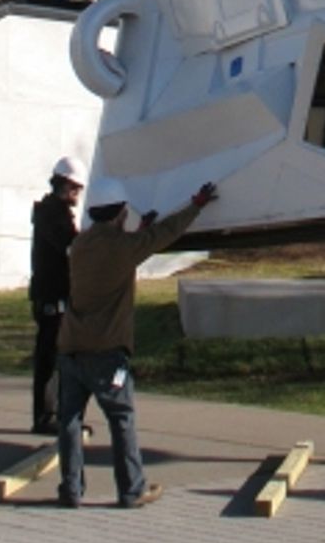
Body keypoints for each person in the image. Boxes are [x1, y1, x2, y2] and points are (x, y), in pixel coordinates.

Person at [55, 182, 218, 510]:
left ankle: (71, 490)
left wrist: (138, 232)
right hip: (107, 352)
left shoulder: (80, 245)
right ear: (120, 214)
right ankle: (131, 490)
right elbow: (165, 233)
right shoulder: (124, 247)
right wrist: (196, 204)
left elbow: (119, 252)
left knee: (69, 420)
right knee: (121, 417)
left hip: (71, 346)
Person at [29, 154, 86, 434]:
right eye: (75, 188)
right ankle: (46, 416)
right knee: (50, 358)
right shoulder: (53, 214)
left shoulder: (54, 213)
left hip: (54, 295)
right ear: (63, 185)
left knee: (61, 358)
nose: (77, 194)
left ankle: (59, 414)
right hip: (51, 297)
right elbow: (70, 247)